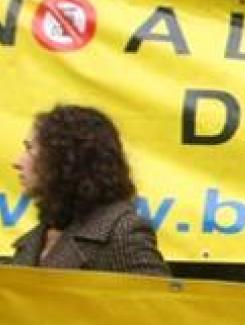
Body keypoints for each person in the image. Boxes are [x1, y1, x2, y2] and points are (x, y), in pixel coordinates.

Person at [10, 104, 170, 276]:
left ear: (65, 156)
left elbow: (158, 302)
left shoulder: (122, 232)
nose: (17, 162)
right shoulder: (35, 240)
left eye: (29, 148)